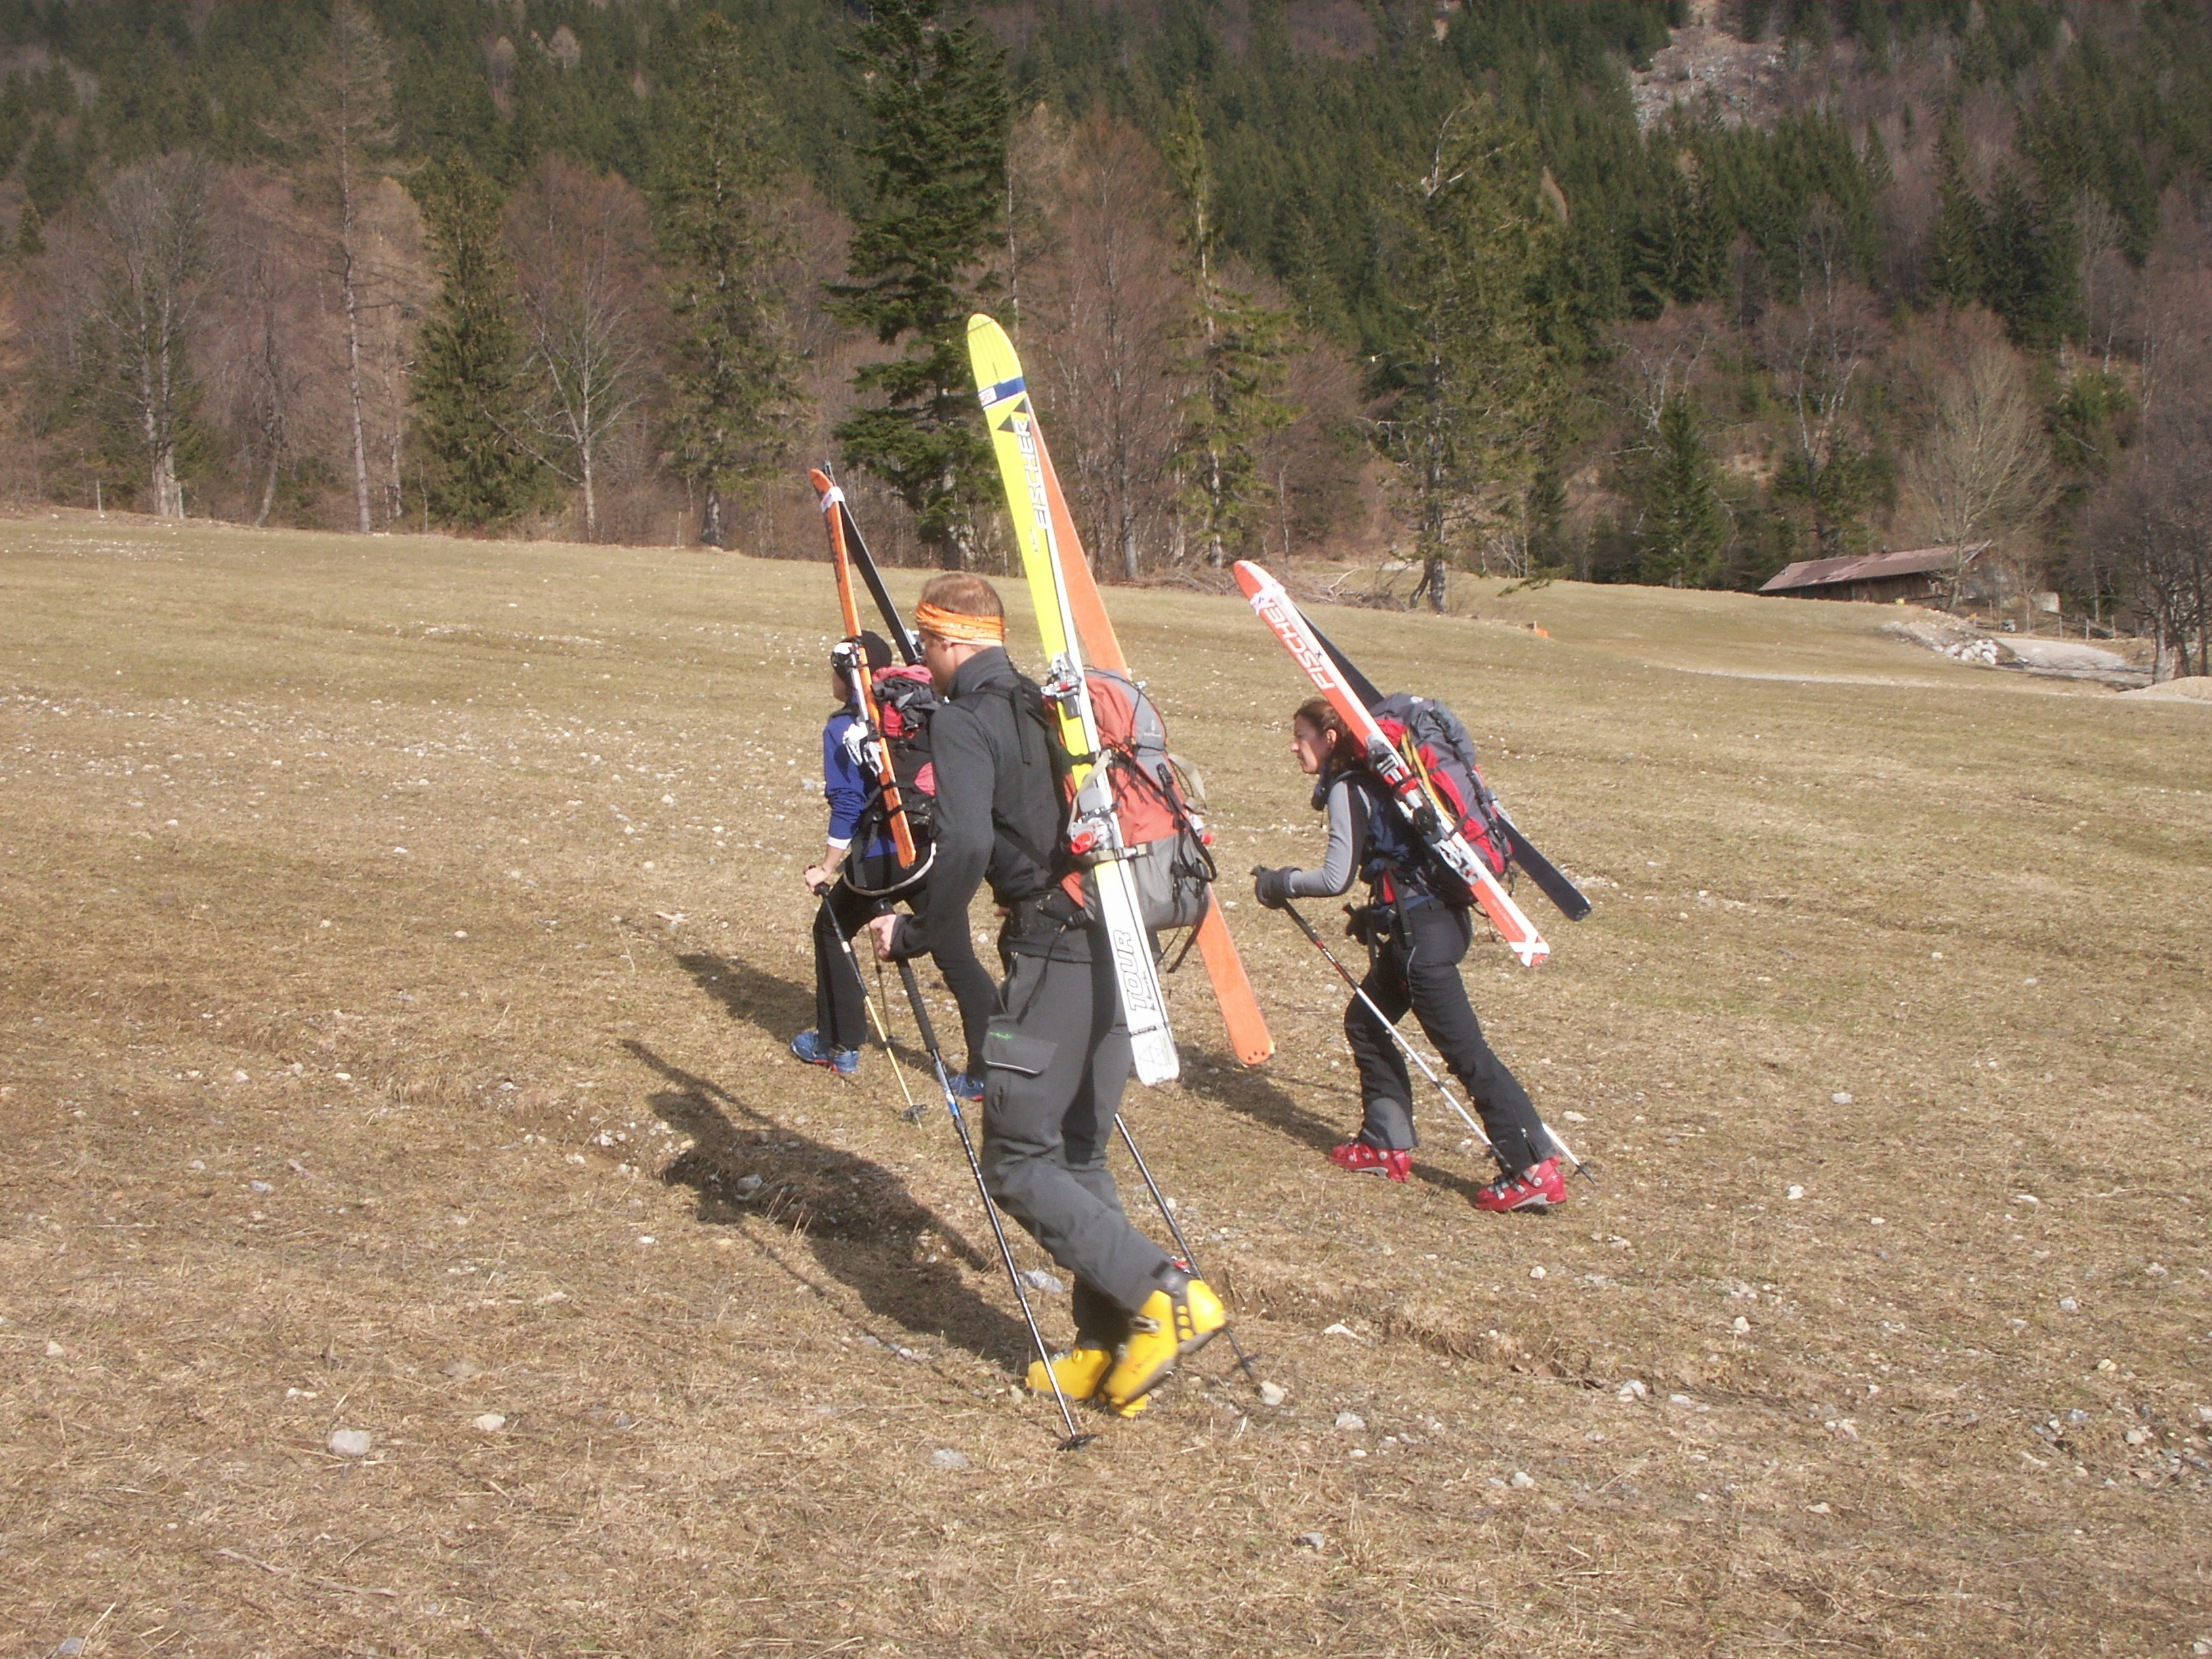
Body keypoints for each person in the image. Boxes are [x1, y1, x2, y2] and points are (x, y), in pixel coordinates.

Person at [864, 572, 1224, 1414]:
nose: (925, 661)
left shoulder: (964, 719)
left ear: (950, 642)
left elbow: (963, 847)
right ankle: (1106, 1347)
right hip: (1120, 942)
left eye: (927, 646)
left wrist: (916, 931)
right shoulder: (1043, 703)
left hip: (1052, 949)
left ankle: (1166, 1295)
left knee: (1017, 1157)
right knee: (1076, 1151)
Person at [1252, 697, 1565, 1212]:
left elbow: (1335, 877)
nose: (1293, 747)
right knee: (1366, 1022)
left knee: (1466, 1054)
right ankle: (1384, 1142)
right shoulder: (1387, 780)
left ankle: (1533, 1169)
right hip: (1433, 927)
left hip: (1422, 941)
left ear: (1329, 739)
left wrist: (1278, 883)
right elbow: (1402, 857)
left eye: (1300, 736)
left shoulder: (1350, 786)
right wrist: (1375, 915)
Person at [789, 632, 994, 1099]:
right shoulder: (918, 710)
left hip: (881, 858)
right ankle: (988, 1070)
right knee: (958, 958)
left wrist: (827, 866)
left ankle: (837, 1044)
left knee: (831, 929)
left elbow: (847, 803)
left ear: (846, 678)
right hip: (932, 852)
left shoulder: (844, 727)